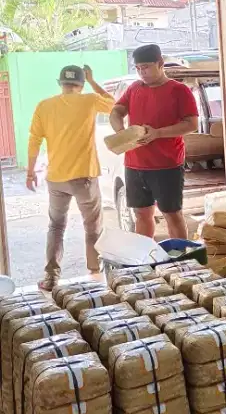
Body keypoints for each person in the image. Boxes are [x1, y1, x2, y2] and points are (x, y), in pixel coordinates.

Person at [27, 64, 115, 290]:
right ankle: (95, 275)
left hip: (56, 178)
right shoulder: (89, 100)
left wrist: (30, 172)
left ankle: (51, 277)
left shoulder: (44, 106)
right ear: (81, 84)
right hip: (83, 177)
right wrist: (94, 81)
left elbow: (34, 140)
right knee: (92, 226)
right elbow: (114, 105)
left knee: (56, 226)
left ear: (61, 83)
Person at [109, 44, 199, 240]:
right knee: (141, 215)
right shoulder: (134, 88)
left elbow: (191, 124)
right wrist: (121, 132)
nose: (142, 72)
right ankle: (145, 262)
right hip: (134, 163)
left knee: (172, 215)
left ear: (160, 63)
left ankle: (182, 263)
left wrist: (158, 133)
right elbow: (116, 111)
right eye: (138, 68)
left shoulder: (179, 90)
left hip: (166, 164)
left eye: (147, 67)